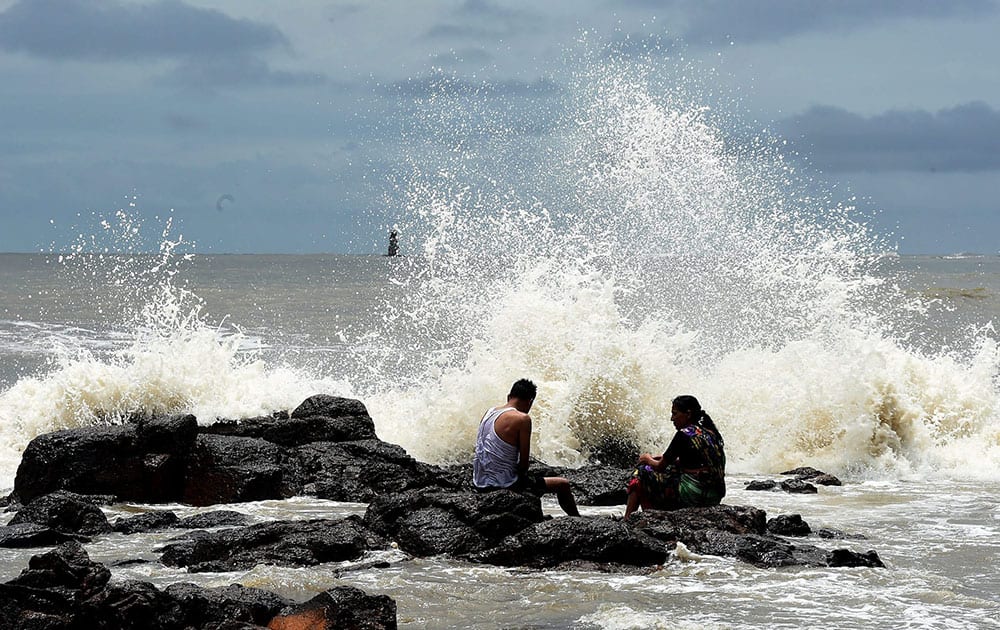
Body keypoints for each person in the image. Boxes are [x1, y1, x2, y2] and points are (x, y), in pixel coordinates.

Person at [472, 378, 580, 516]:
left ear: (509, 396)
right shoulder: (522, 419)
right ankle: (577, 519)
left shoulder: (489, 412)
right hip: (503, 484)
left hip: (479, 482)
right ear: (530, 402)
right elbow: (523, 464)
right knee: (562, 484)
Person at [623, 395, 726, 520]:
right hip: (714, 496)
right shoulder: (710, 432)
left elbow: (660, 467)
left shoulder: (683, 434)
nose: (672, 419)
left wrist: (647, 458)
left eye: (675, 414)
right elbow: (697, 461)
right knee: (672, 469)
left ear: (688, 414)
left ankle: (629, 518)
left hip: (693, 495)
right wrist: (664, 458)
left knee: (642, 471)